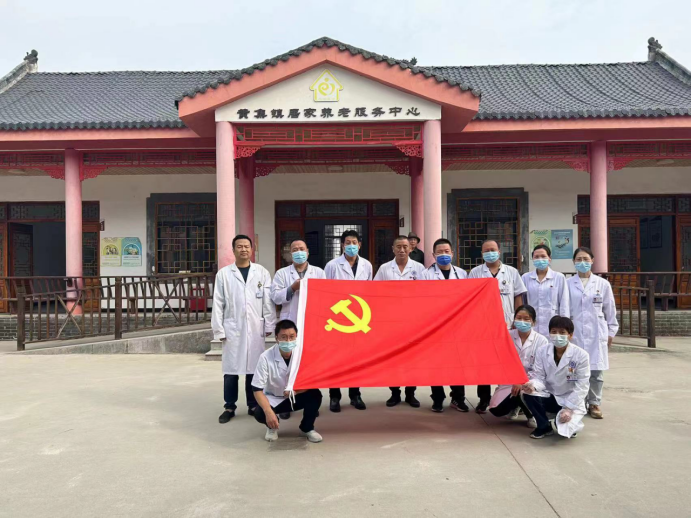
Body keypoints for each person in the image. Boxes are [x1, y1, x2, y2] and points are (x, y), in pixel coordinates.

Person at [212, 234, 276, 424]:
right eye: (239, 246)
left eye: (247, 246)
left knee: (253, 369)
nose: (243, 249)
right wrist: (219, 329)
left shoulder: (261, 272)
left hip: (256, 327)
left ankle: (253, 405)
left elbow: (268, 301)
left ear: (252, 249)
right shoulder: (224, 274)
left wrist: (269, 324)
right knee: (231, 370)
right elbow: (218, 303)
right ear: (233, 250)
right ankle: (229, 406)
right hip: (233, 328)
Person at [468, 239, 527, 413]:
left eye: (493, 249)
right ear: (482, 254)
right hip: (483, 327)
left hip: (508, 326)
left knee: (507, 363)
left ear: (499, 251)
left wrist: (518, 321)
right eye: (486, 250)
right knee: (484, 365)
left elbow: (518, 297)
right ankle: (483, 399)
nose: (490, 253)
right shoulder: (475, 272)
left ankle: (509, 399)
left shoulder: (512, 272)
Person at [375, 235, 426, 407]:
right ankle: (394, 393)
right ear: (393, 249)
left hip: (413, 321)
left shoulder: (419, 268)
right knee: (393, 359)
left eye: (405, 247)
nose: (402, 250)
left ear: (411, 248)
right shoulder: (384, 269)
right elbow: (375, 292)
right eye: (398, 247)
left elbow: (426, 294)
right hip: (391, 321)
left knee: (412, 358)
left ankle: (411, 393)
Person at [324, 230, 373, 412]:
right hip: (338, 319)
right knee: (335, 358)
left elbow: (370, 291)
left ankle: (355, 395)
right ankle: (334, 396)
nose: (351, 245)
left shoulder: (367, 265)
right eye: (347, 242)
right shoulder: (332, 265)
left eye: (354, 242)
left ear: (359, 245)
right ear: (342, 245)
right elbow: (325, 291)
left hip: (359, 317)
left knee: (356, 358)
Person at [567, 246, 618, 419]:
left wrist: (611, 332)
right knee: (573, 370)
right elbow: (564, 309)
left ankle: (594, 403)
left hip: (597, 333)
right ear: (574, 262)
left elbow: (610, 310)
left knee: (596, 371)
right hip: (574, 333)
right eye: (579, 259)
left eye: (585, 259)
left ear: (592, 261)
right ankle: (577, 402)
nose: (582, 262)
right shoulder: (568, 284)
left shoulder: (602, 284)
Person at [252, 319, 323, 443]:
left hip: (295, 395)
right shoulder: (265, 357)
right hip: (274, 397)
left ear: (296, 337)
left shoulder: (302, 354)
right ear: (276, 338)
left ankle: (306, 428)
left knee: (315, 395)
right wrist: (269, 412)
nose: (288, 341)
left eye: (292, 337)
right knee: (259, 413)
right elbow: (257, 389)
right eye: (284, 337)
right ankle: (272, 426)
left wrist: (296, 391)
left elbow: (313, 381)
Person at [522, 316, 590, 439]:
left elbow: (582, 386)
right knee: (528, 393)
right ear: (549, 333)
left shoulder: (581, 355)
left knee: (565, 430)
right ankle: (544, 426)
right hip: (550, 395)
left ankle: (567, 419)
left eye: (562, 332)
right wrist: (533, 385)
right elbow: (539, 376)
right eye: (554, 332)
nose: (557, 336)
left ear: (570, 335)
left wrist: (569, 408)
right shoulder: (542, 351)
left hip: (570, 398)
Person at [423, 238, 470, 412]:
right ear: (433, 255)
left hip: (457, 326)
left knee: (457, 364)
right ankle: (437, 398)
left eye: (446, 251)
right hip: (434, 326)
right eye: (440, 252)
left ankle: (458, 398)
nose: (443, 255)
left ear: (452, 253)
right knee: (436, 364)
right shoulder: (425, 275)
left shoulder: (461, 274)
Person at [489, 305, 548, 428]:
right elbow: (501, 361)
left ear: (533, 322)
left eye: (526, 319)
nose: (522, 321)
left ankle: (531, 414)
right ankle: (516, 405)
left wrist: (522, 381)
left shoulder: (541, 341)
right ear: (514, 319)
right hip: (509, 381)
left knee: (526, 390)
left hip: (531, 381)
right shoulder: (507, 336)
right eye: (519, 318)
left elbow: (540, 370)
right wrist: (515, 379)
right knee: (496, 409)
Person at [271, 238, 326, 324]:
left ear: (307, 252)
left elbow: (324, 297)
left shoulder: (319, 272)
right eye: (295, 250)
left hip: (312, 318)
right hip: (290, 319)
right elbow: (276, 298)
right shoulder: (281, 273)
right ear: (291, 254)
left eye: (301, 249)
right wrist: (292, 288)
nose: (299, 252)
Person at [521, 244, 570, 339]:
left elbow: (564, 302)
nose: (540, 259)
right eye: (536, 257)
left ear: (549, 258)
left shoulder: (559, 277)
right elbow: (523, 302)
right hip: (532, 322)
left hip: (553, 322)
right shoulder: (525, 278)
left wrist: (564, 324)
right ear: (532, 259)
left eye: (543, 256)